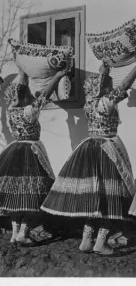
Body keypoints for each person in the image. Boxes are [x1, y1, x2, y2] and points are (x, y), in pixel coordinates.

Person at [41, 62, 136, 255]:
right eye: (108, 85)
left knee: (95, 199)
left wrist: (104, 72)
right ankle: (100, 242)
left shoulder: (89, 104)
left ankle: (86, 240)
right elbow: (124, 86)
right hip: (106, 150)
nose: (111, 87)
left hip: (89, 147)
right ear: (102, 88)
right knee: (110, 198)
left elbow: (112, 87)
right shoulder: (105, 103)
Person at [0, 67, 69, 246]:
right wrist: (58, 76)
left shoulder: (11, 111)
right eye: (27, 93)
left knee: (15, 198)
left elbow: (22, 89)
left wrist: (22, 73)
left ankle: (15, 233)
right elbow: (45, 95)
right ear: (23, 96)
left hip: (13, 152)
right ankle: (23, 232)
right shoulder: (28, 111)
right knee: (34, 196)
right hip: (30, 153)